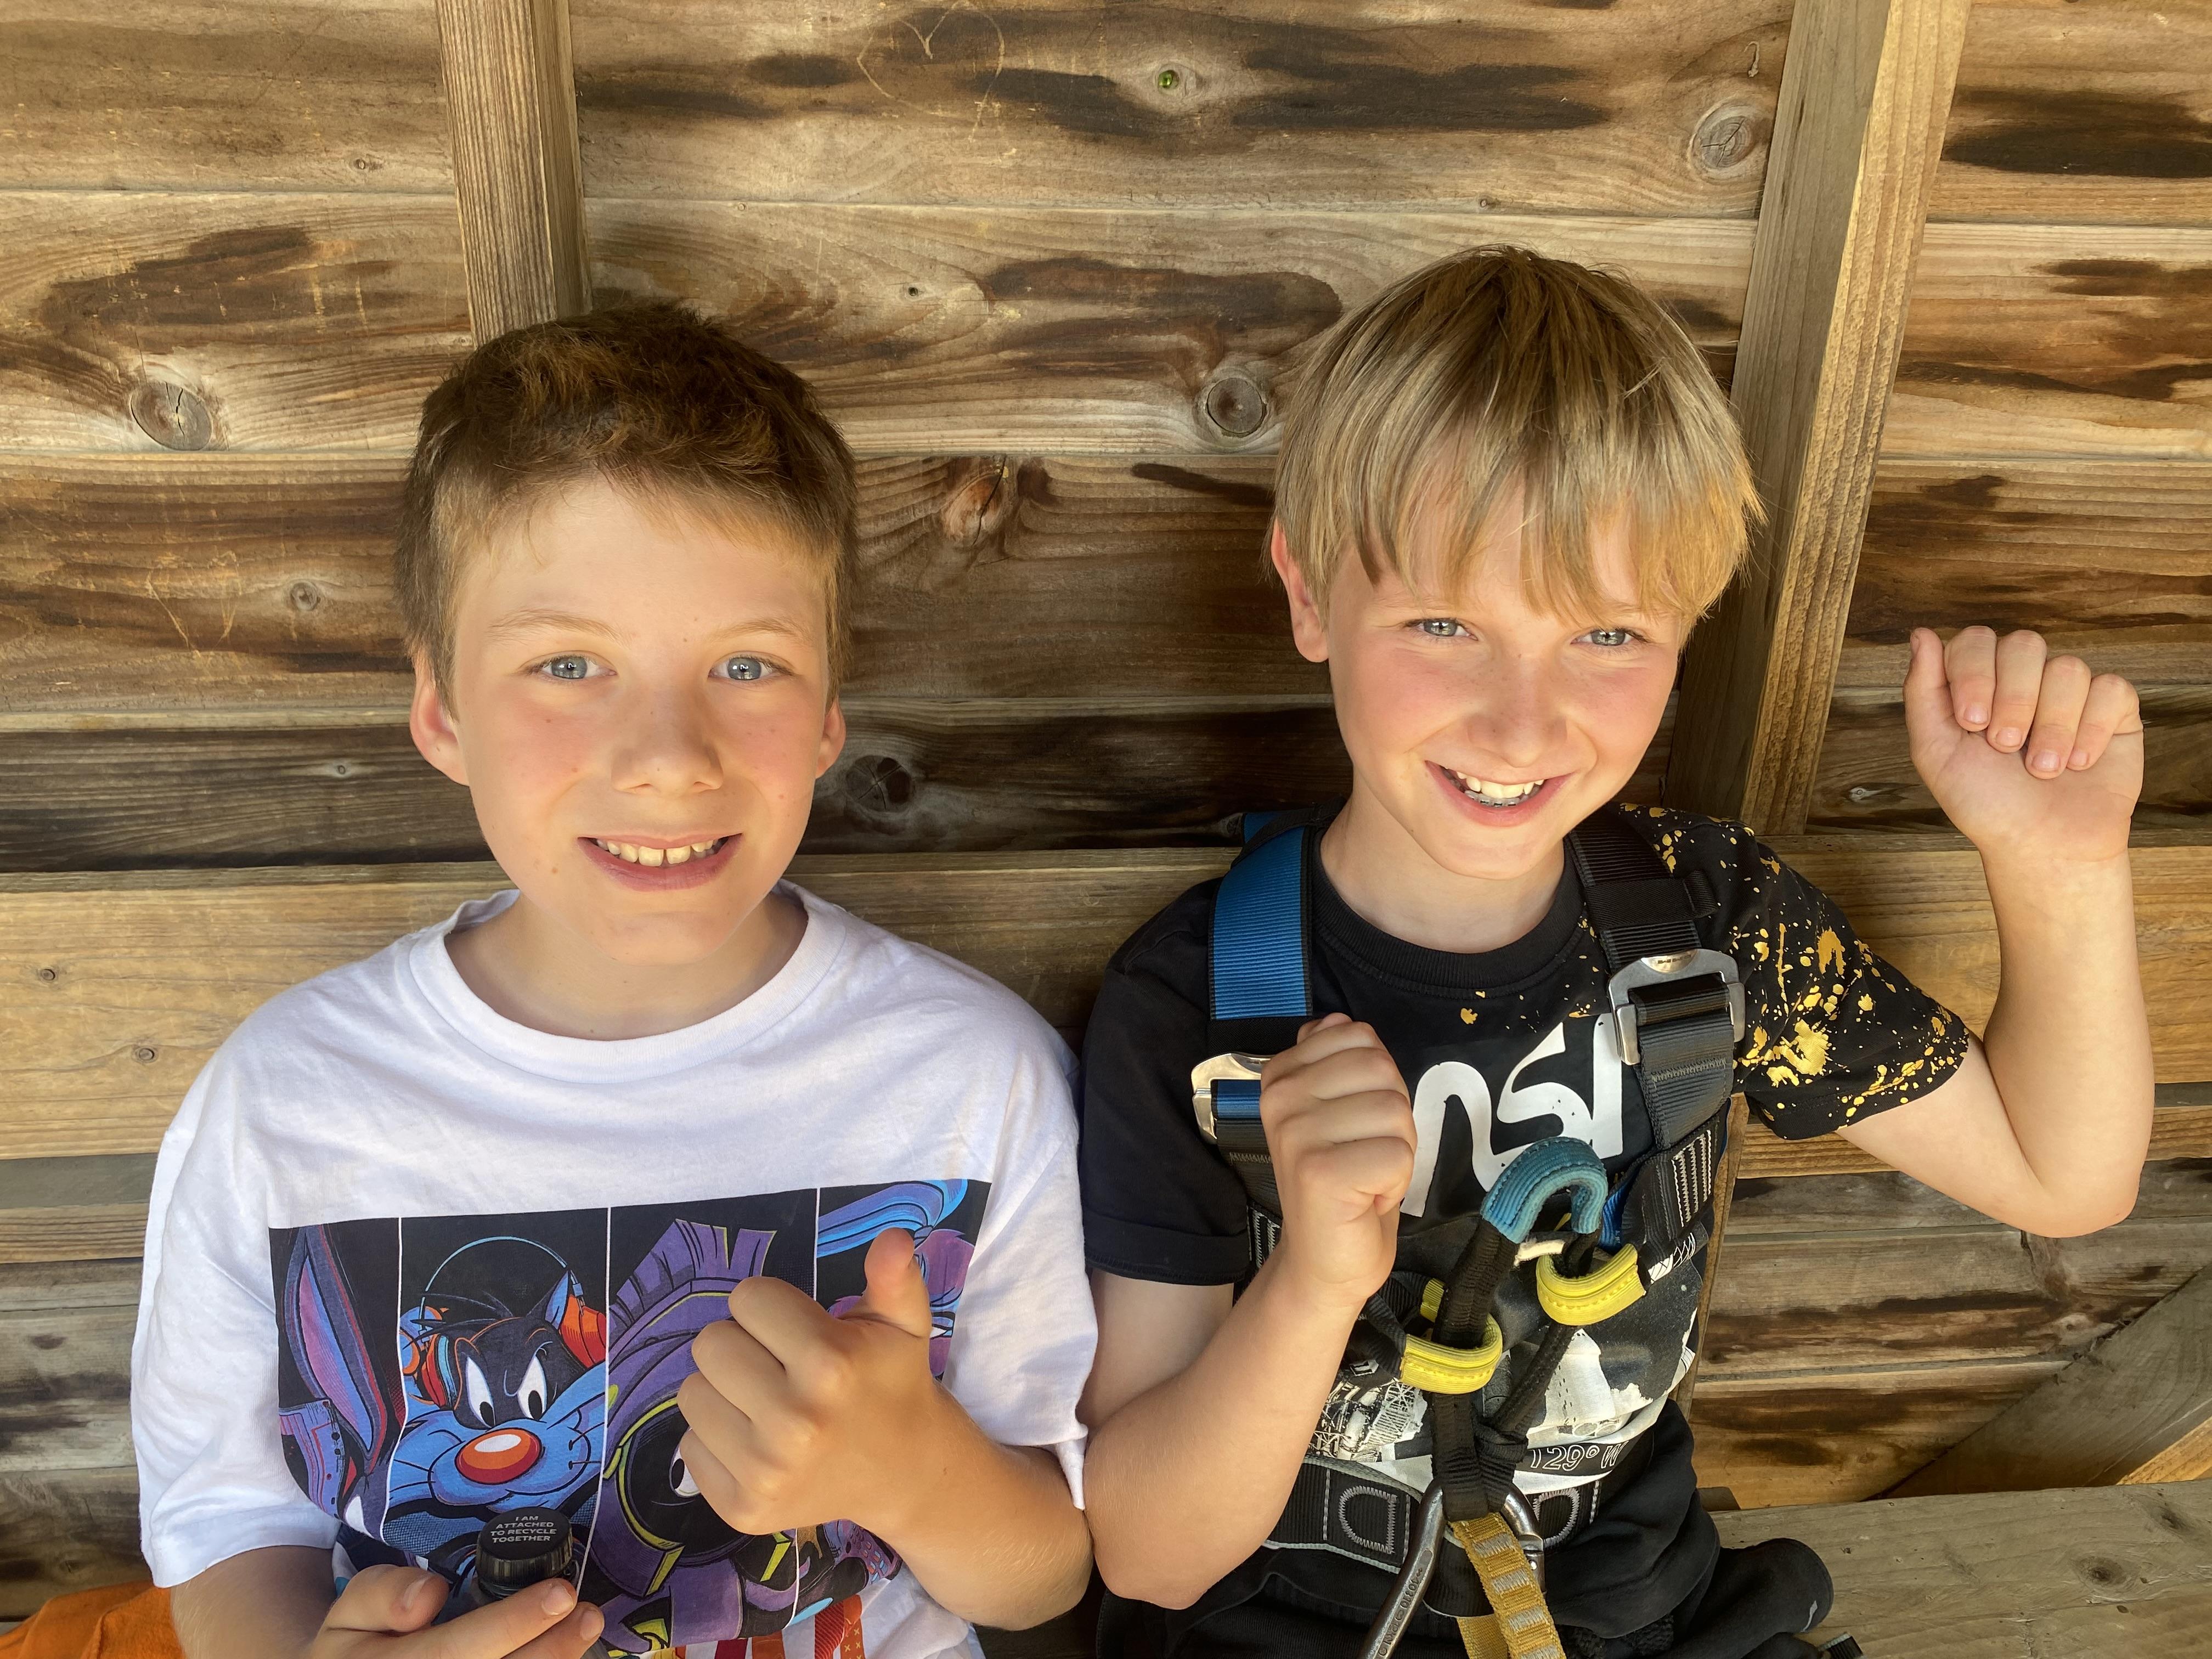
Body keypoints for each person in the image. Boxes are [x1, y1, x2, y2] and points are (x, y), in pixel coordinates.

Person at [1075, 246, 2152, 1658]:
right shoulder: (1195, 1006)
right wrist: (1315, 1281)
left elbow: (2063, 1177)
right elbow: (1149, 1555)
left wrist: (2060, 865)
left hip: (1640, 1622)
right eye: (1446, 624)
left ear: (1690, 625)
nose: (1523, 726)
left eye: (1606, 633)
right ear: (1308, 591)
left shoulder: (1709, 924)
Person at [129, 303, 1095, 1659]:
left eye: (746, 665)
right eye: (568, 665)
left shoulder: (973, 1077)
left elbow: (1045, 1570)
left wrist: (918, 1473)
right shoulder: (283, 1105)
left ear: (830, 711)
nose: (668, 756)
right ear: (442, 709)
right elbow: (230, 1532)